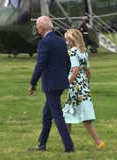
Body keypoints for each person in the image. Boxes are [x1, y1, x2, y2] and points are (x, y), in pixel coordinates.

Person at [27, 16, 74, 153]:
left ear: (41, 27)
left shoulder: (44, 42)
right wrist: (63, 77)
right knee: (47, 114)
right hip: (60, 82)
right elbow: (68, 63)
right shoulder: (60, 40)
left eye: (37, 25)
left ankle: (69, 146)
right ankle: (41, 144)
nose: (36, 28)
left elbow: (40, 64)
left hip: (51, 84)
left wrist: (32, 83)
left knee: (57, 115)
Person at [62, 29, 106, 150]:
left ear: (72, 40)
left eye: (67, 39)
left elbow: (75, 69)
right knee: (71, 115)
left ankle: (69, 143)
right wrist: (86, 83)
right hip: (83, 86)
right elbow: (87, 70)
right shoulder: (83, 52)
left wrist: (67, 83)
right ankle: (68, 143)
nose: (66, 41)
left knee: (70, 115)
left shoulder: (72, 52)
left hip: (75, 87)